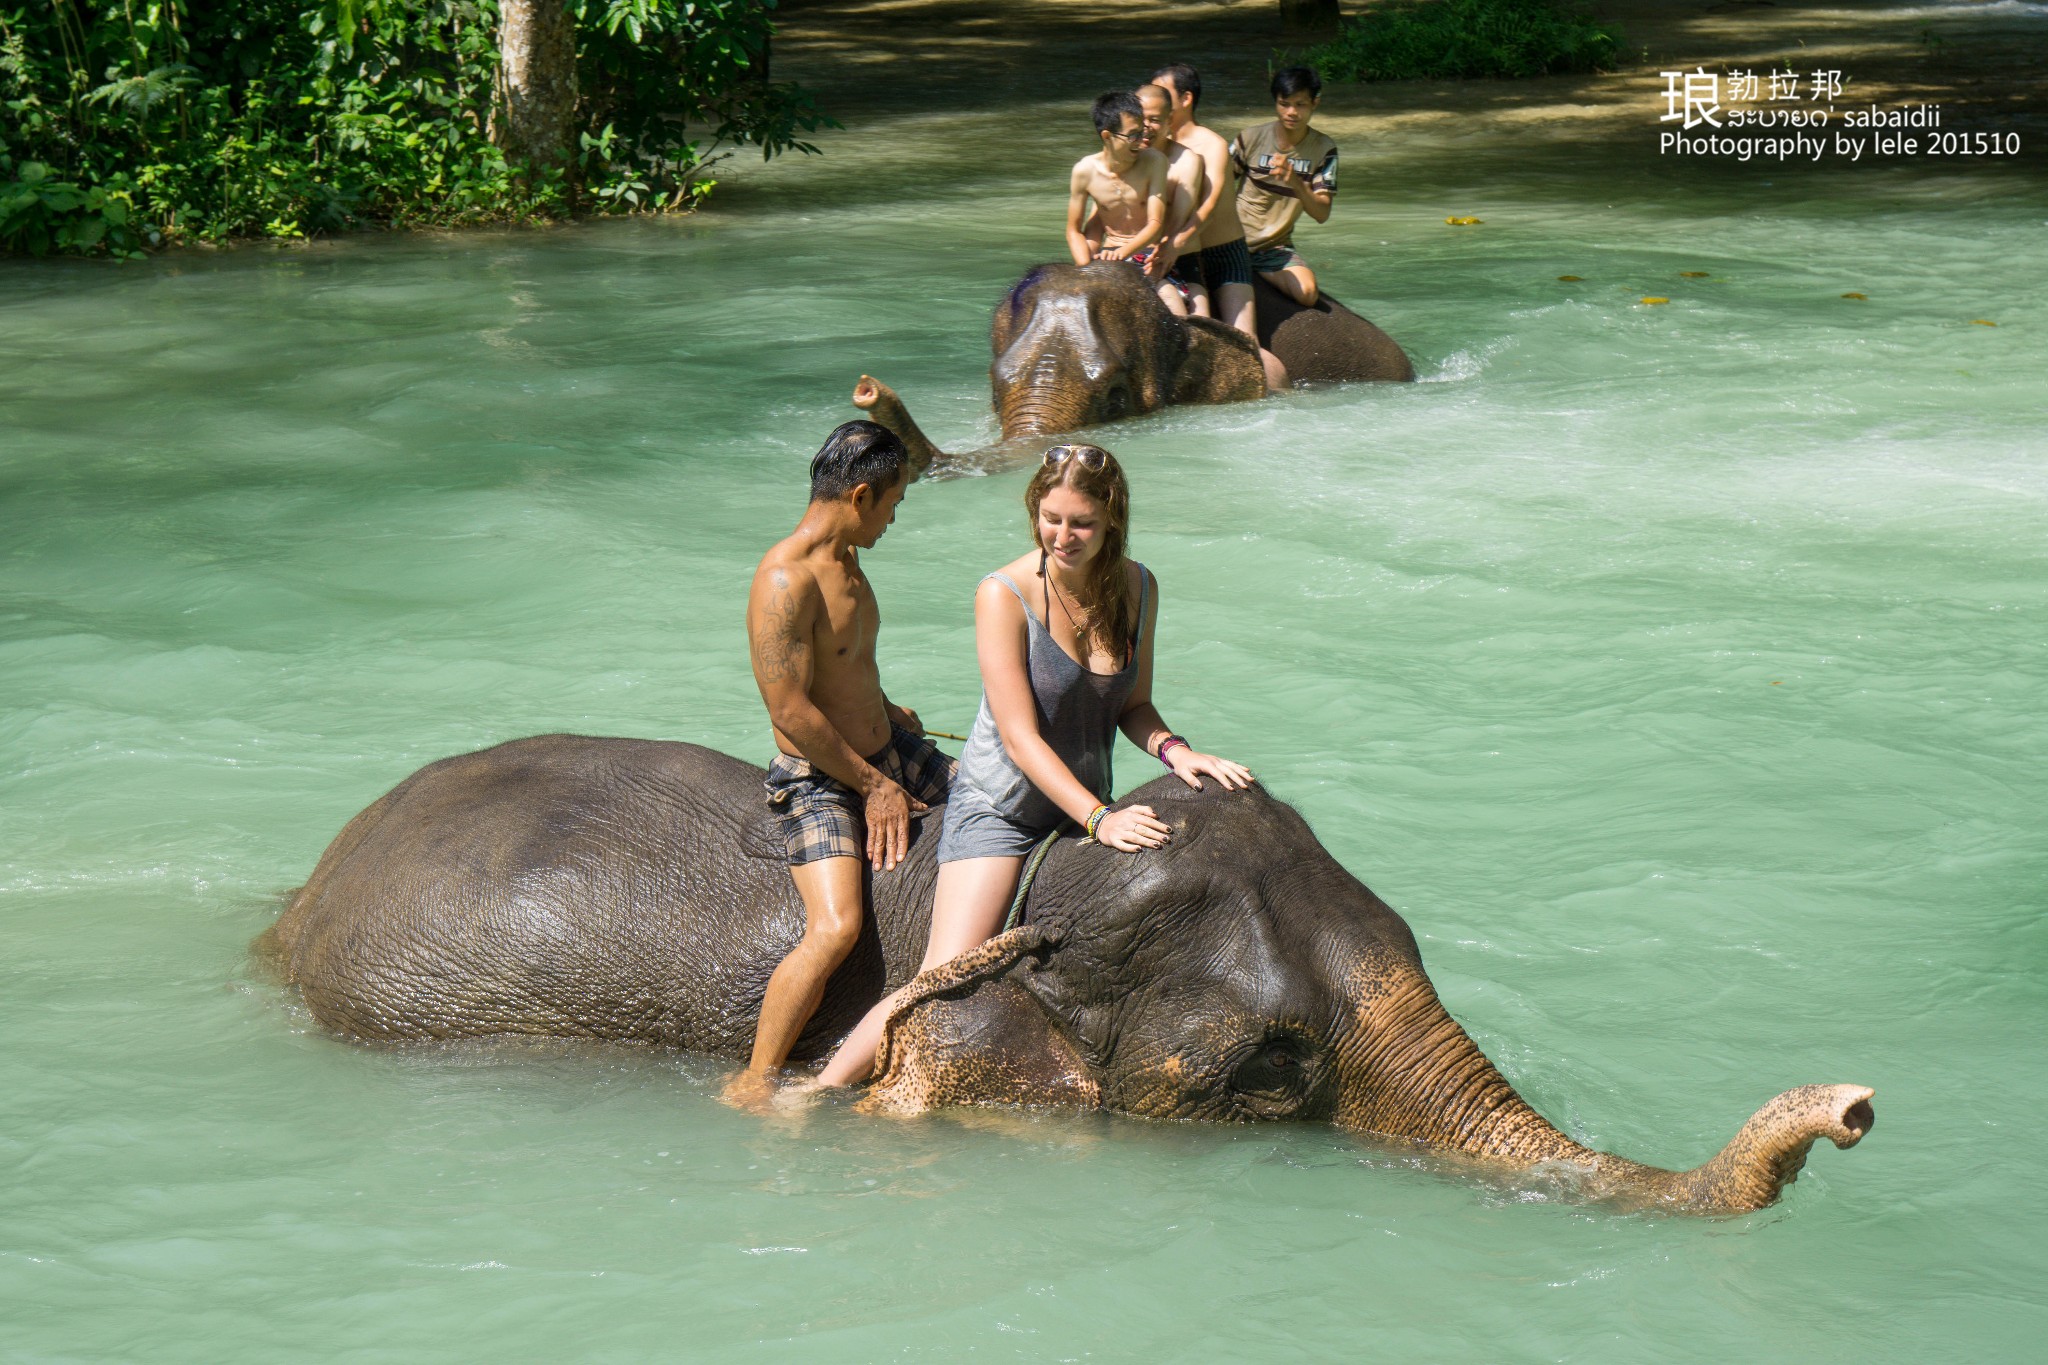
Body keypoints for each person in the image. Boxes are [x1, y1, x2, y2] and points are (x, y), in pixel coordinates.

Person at [813, 443, 1253, 1090]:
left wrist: (1176, 750)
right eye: (1051, 518)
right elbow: (1019, 737)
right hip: (1005, 808)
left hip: (1081, 801)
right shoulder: (1003, 593)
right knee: (943, 975)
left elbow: (1133, 703)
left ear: (1112, 521)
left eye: (1081, 523)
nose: (1063, 536)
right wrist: (1099, 818)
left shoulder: (1138, 586)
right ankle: (818, 1090)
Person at [728, 420, 954, 1108]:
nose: (893, 518)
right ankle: (754, 1077)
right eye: (892, 504)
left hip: (886, 746)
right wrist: (873, 783)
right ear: (860, 497)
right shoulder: (783, 581)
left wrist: (888, 711)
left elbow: (848, 663)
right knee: (836, 929)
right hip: (824, 777)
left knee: (1001, 800)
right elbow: (791, 709)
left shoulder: (850, 560)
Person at [1148, 63, 1289, 392]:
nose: (1153, 100)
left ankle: (1276, 397)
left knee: (1244, 340)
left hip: (1222, 254)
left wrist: (1174, 242)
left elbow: (1207, 207)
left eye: (1162, 93)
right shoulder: (1151, 143)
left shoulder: (1209, 145)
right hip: (1182, 257)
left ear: (1185, 99)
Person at [1233, 67, 1337, 307]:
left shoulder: (1324, 149)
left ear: (1315, 103)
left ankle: (1254, 270)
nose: (1291, 112)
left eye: (1300, 104)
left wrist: (1296, 183)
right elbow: (1216, 187)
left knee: (1308, 292)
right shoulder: (1249, 138)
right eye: (1284, 103)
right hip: (1234, 239)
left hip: (1274, 246)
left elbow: (1322, 214)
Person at [1067, 91, 1168, 275]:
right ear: (1107, 136)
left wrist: (1123, 253)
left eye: (1140, 132)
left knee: (1172, 299)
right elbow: (1073, 230)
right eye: (1132, 136)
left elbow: (1155, 223)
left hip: (1148, 254)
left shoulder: (1155, 162)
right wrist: (1084, 267)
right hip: (1109, 254)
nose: (1140, 141)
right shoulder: (1084, 171)